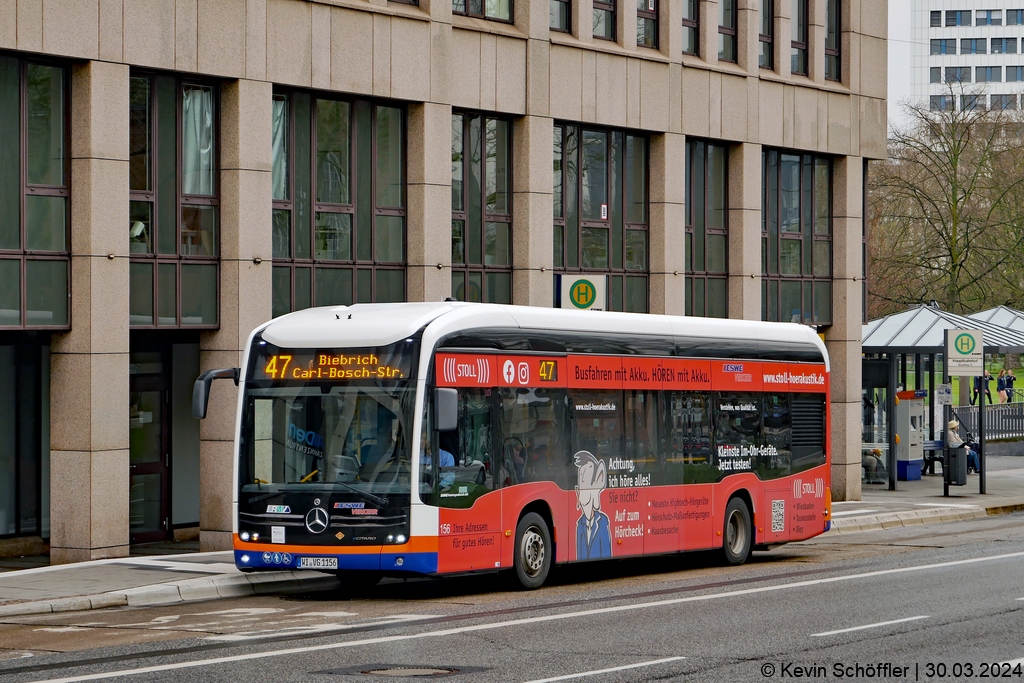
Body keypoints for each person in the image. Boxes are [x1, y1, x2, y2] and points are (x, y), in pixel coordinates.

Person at [573, 450, 612, 560]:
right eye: (580, 484)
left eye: (584, 483)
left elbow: (606, 552)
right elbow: (579, 555)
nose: (579, 490)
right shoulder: (580, 524)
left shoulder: (602, 522)